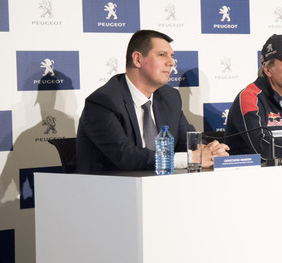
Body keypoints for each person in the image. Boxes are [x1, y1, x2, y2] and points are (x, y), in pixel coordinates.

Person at [76, 30, 228, 173]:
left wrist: (208, 150)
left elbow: (186, 143)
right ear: (137, 59)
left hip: (159, 187)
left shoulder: (170, 97)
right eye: (162, 55)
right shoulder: (103, 102)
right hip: (111, 191)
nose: (172, 62)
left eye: (172, 56)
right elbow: (125, 156)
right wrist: (191, 158)